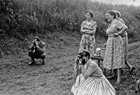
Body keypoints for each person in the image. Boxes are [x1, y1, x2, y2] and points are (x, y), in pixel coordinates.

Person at [103, 10, 127, 84]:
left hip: (116, 42)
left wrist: (119, 33)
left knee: (117, 58)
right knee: (111, 58)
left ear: (113, 16)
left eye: (108, 16)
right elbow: (110, 33)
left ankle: (119, 78)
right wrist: (107, 42)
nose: (107, 17)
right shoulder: (110, 23)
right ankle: (114, 75)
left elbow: (125, 27)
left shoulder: (116, 21)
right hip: (110, 41)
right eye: (106, 16)